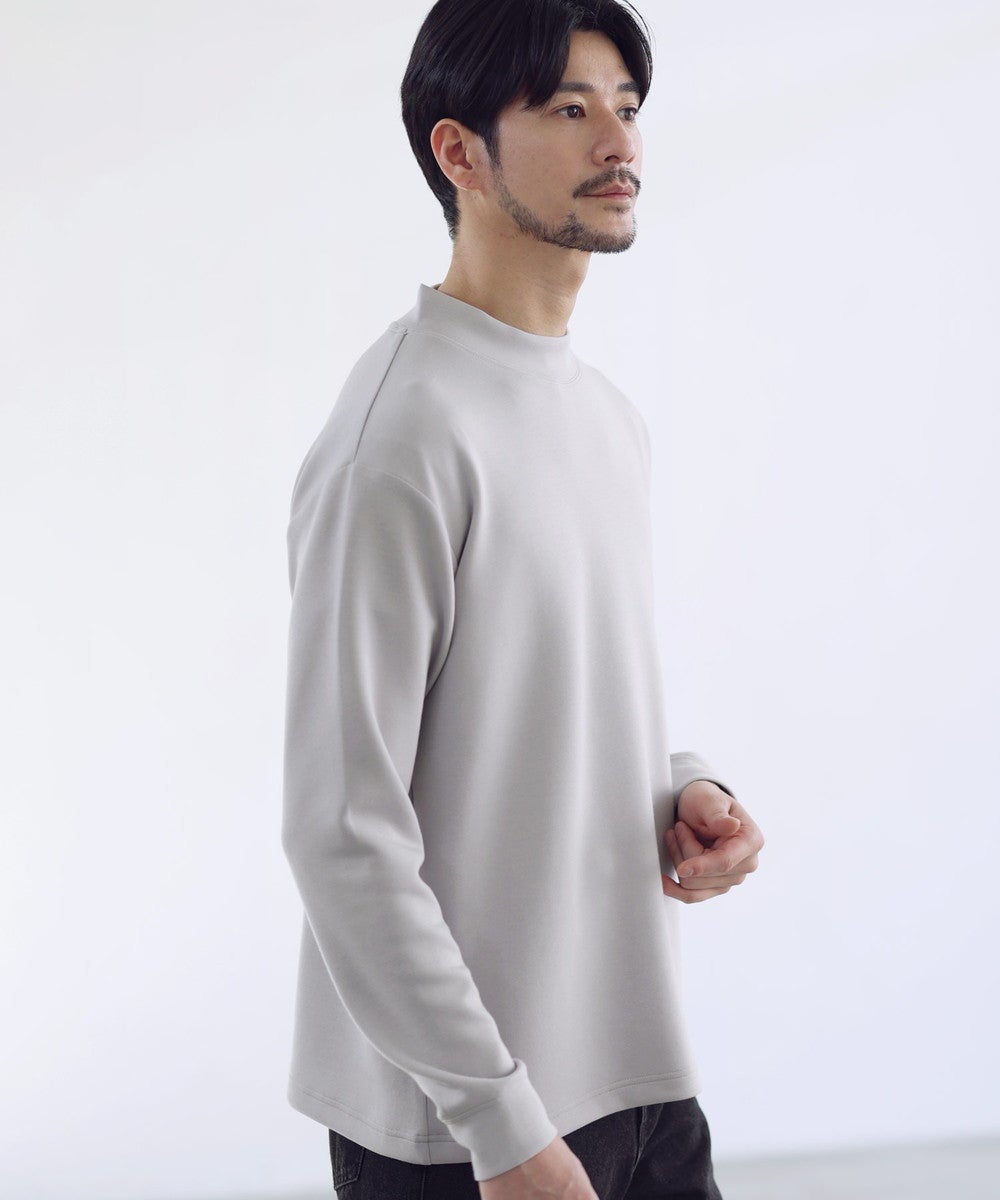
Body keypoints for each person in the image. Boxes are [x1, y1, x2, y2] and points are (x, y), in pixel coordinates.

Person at [280, 1, 765, 1197]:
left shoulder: (603, 416)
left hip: (641, 1081)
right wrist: (501, 1128)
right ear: (458, 152)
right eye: (567, 107)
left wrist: (682, 787)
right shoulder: (400, 436)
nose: (619, 141)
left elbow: (543, 705)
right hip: (469, 1130)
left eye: (627, 106)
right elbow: (340, 829)